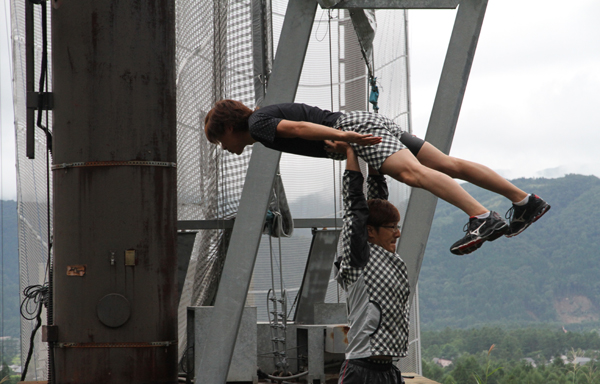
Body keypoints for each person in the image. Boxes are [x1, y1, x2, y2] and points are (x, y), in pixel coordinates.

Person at [204, 100, 551, 255]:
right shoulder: (262, 121)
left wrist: (347, 137)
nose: (225, 147)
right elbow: (303, 128)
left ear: (230, 127)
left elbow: (296, 127)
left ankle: (481, 216)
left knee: (413, 174)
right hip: (365, 123)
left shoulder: (257, 124)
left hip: (354, 127)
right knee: (448, 163)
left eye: (221, 140)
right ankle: (524, 201)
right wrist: (339, 141)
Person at [331, 141, 409, 384]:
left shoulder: (389, 257)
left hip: (389, 373)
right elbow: (355, 209)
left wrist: (378, 159)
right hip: (361, 373)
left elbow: (377, 202)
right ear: (370, 232)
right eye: (391, 227)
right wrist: (351, 155)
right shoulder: (358, 260)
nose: (397, 233)